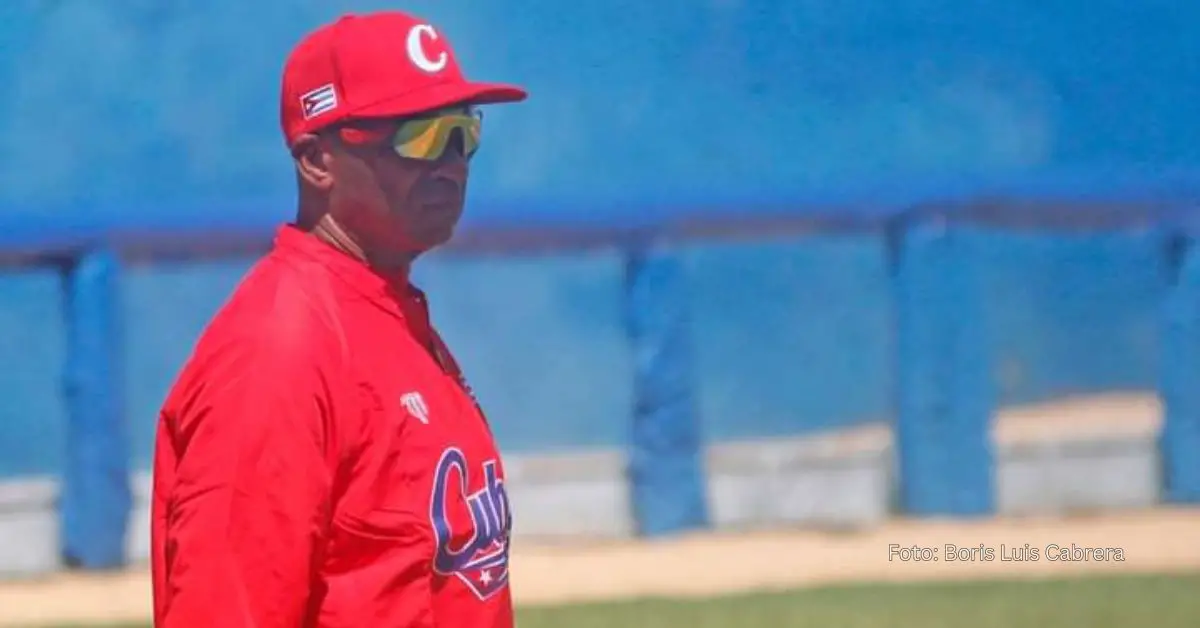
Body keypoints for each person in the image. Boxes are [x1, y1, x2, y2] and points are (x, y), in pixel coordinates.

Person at [149, 10, 527, 628]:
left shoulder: (390, 315)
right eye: (419, 135)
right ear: (317, 160)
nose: (452, 161)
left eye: (463, 132)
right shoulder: (278, 354)